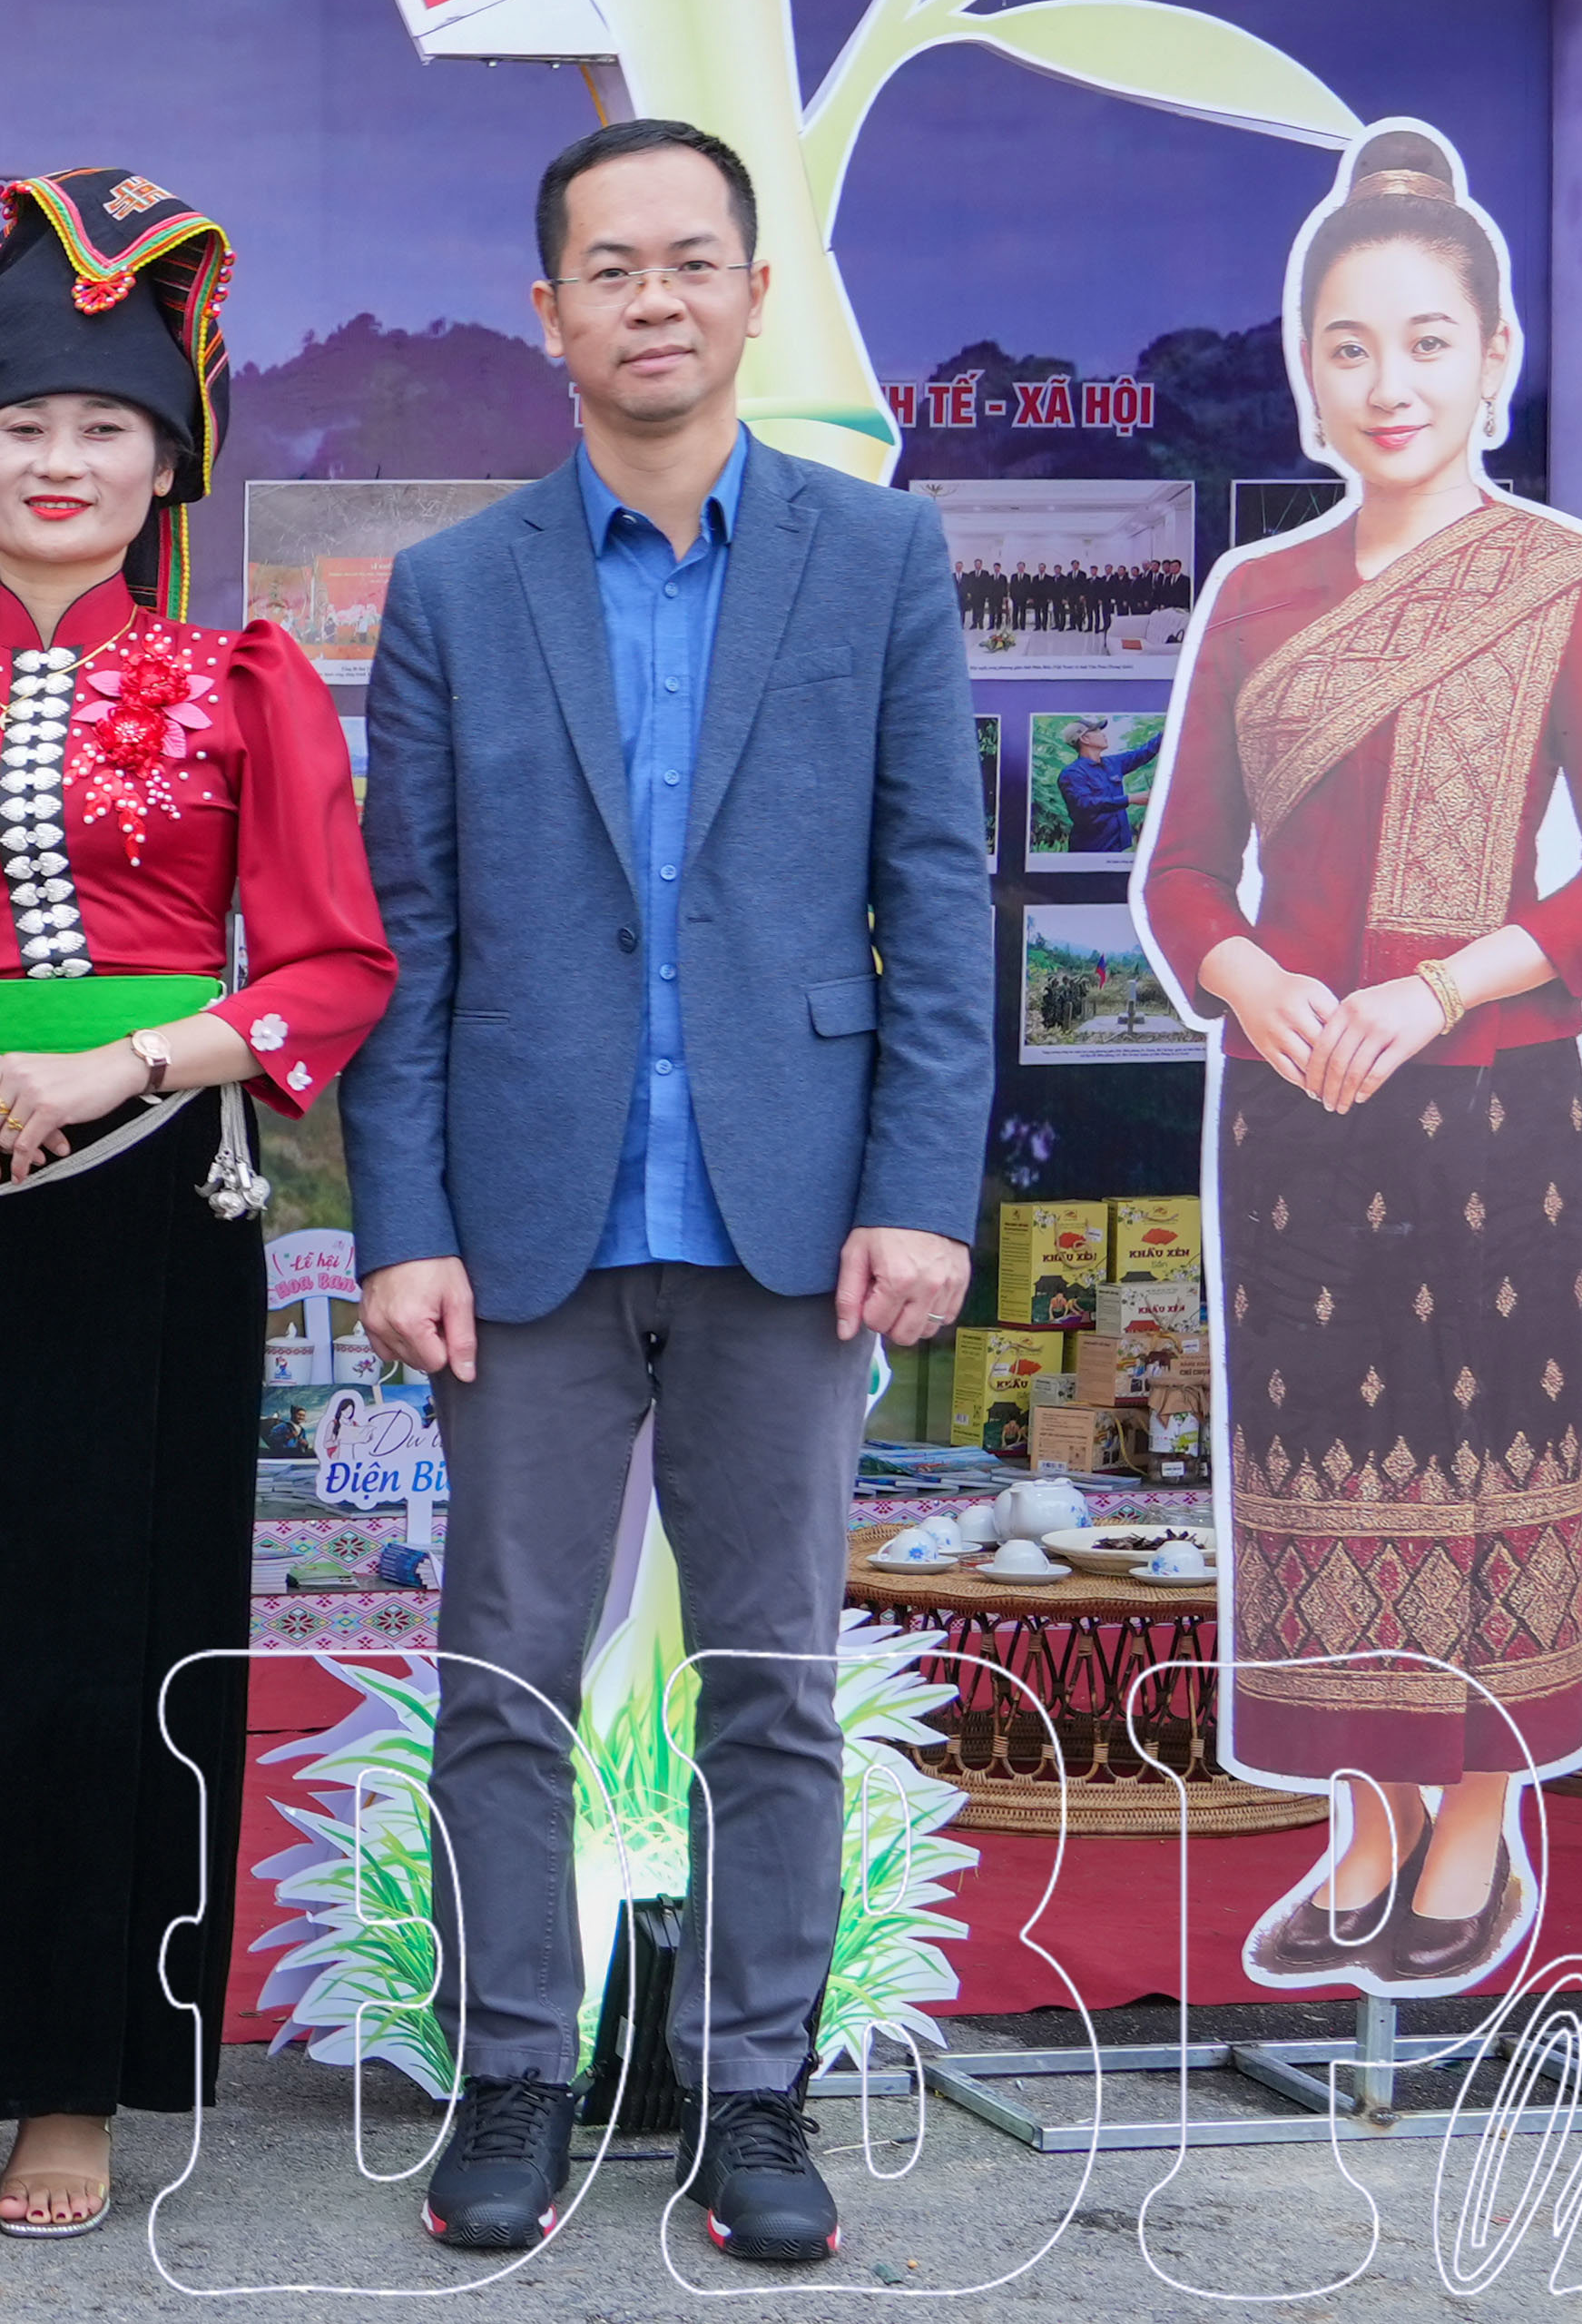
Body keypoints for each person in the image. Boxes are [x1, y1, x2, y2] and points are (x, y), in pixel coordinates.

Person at [341, 120, 988, 2272]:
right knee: (503, 1674)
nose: (652, 298)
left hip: (788, 1218)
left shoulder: (873, 557)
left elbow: (936, 893)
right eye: (608, 267)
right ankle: (512, 2076)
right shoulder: (457, 586)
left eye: (689, 260)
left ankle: (750, 2094)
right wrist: (401, 1219)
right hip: (524, 1222)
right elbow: (408, 935)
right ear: (547, 311)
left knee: (773, 1676)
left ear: (750, 290)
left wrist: (920, 1187)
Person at [0, 175, 388, 2250]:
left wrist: (116, 1062)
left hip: (152, 1190)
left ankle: (83, 2066)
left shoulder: (245, 682)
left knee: (131, 1628)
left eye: (105, 428)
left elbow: (328, 967)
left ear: (168, 463)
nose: (61, 461)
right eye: (23, 427)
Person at [1138, 126, 1582, 2004]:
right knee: (1313, 1452)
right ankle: (1361, 1828)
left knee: (1475, 1454)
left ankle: (1473, 1823)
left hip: (1491, 1100)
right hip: (1292, 1101)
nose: (1389, 384)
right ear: (1307, 371)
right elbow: (1183, 868)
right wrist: (1246, 978)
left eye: (1428, 342)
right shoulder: (1257, 597)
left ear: (1495, 355)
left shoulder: (1572, 584)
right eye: (1350, 346)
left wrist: (1444, 987)